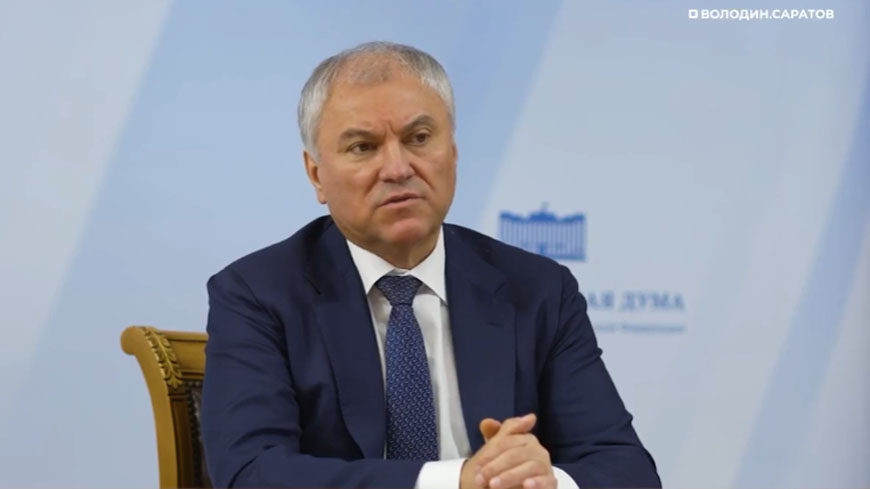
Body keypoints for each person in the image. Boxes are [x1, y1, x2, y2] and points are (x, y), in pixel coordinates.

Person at [201, 41, 660, 489]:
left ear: (453, 153)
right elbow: (250, 473)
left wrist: (539, 479)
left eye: (419, 138)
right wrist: (456, 481)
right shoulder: (258, 293)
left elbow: (627, 470)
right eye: (363, 147)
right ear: (316, 174)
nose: (398, 168)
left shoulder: (538, 289)